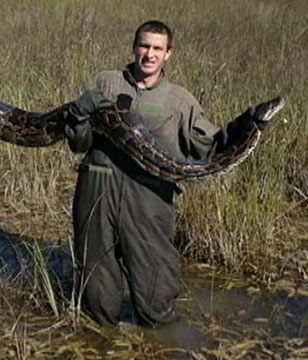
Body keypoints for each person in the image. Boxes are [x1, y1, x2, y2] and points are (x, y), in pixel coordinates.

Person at [65, 20, 267, 327]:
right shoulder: (105, 83)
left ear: (168, 54)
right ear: (134, 47)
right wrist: (77, 116)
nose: (149, 54)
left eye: (157, 48)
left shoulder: (179, 101)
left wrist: (247, 126)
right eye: (144, 46)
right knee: (96, 295)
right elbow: (78, 143)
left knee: (155, 296)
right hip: (97, 189)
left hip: (149, 199)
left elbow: (210, 150)